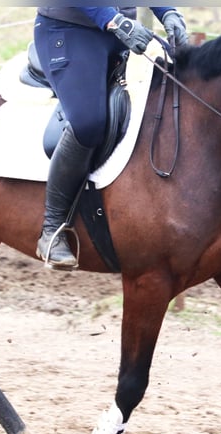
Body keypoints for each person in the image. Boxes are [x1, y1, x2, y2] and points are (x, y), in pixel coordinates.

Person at [34, 7, 188, 270]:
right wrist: (114, 20)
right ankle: (52, 229)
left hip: (121, 31)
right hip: (71, 32)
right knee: (89, 123)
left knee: (179, 89)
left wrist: (169, 12)